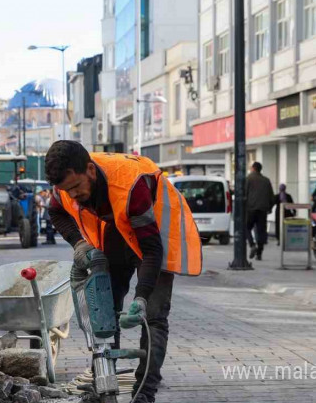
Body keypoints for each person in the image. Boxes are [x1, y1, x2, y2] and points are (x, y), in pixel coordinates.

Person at [45, 141, 202, 403]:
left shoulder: (131, 187)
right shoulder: (65, 186)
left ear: (90, 171)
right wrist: (79, 243)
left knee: (153, 317)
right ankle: (104, 382)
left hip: (155, 227)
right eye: (65, 190)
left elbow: (151, 250)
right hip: (117, 227)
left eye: (75, 188)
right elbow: (56, 212)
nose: (71, 195)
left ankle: (145, 391)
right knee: (105, 310)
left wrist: (141, 298)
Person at [245, 162, 274, 261]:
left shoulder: (248, 179)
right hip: (263, 209)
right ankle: (259, 253)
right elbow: (272, 197)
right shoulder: (266, 180)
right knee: (261, 231)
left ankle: (252, 245)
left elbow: (244, 194)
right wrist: (269, 208)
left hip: (251, 208)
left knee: (246, 227)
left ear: (253, 168)